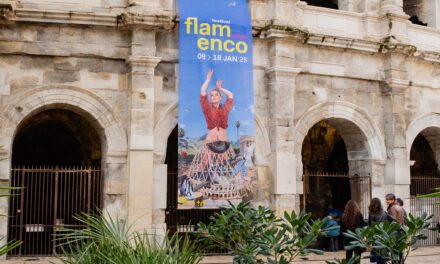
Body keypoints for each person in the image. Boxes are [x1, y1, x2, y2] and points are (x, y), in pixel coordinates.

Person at [200, 69, 234, 143]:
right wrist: (208, 79)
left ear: (220, 97)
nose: (213, 96)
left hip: (224, 143)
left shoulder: (225, 109)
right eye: (211, 95)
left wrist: (220, 88)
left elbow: (230, 95)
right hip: (210, 142)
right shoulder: (207, 108)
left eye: (216, 95)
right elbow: (203, 90)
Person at [368, 198, 389, 264]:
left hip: (375, 236)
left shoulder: (371, 214)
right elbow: (391, 221)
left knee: (377, 253)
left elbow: (370, 226)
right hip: (384, 235)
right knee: (383, 254)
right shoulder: (385, 213)